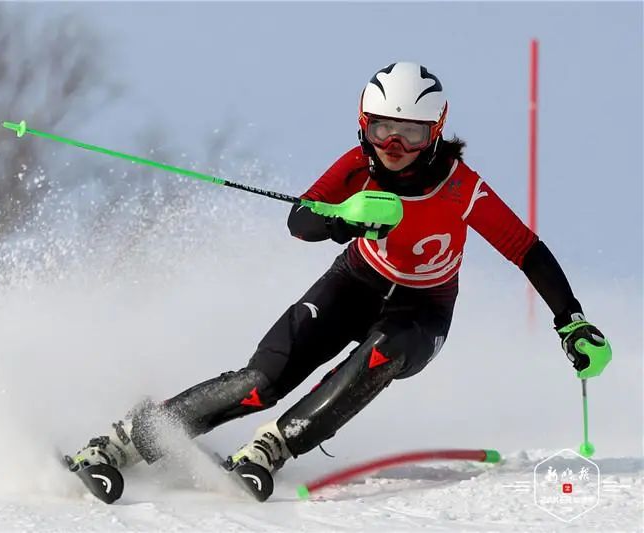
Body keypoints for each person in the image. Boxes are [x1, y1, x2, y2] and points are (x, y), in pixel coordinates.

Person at [70, 61, 612, 501]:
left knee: (383, 353)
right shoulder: (357, 166)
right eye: (382, 129)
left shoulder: (461, 187)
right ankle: (122, 442)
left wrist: (572, 321)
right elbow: (299, 220)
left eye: (411, 134)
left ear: (436, 133)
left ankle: (270, 450)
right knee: (263, 381)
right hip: (354, 282)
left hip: (422, 310)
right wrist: (341, 218)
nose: (393, 146)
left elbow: (527, 250)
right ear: (363, 124)